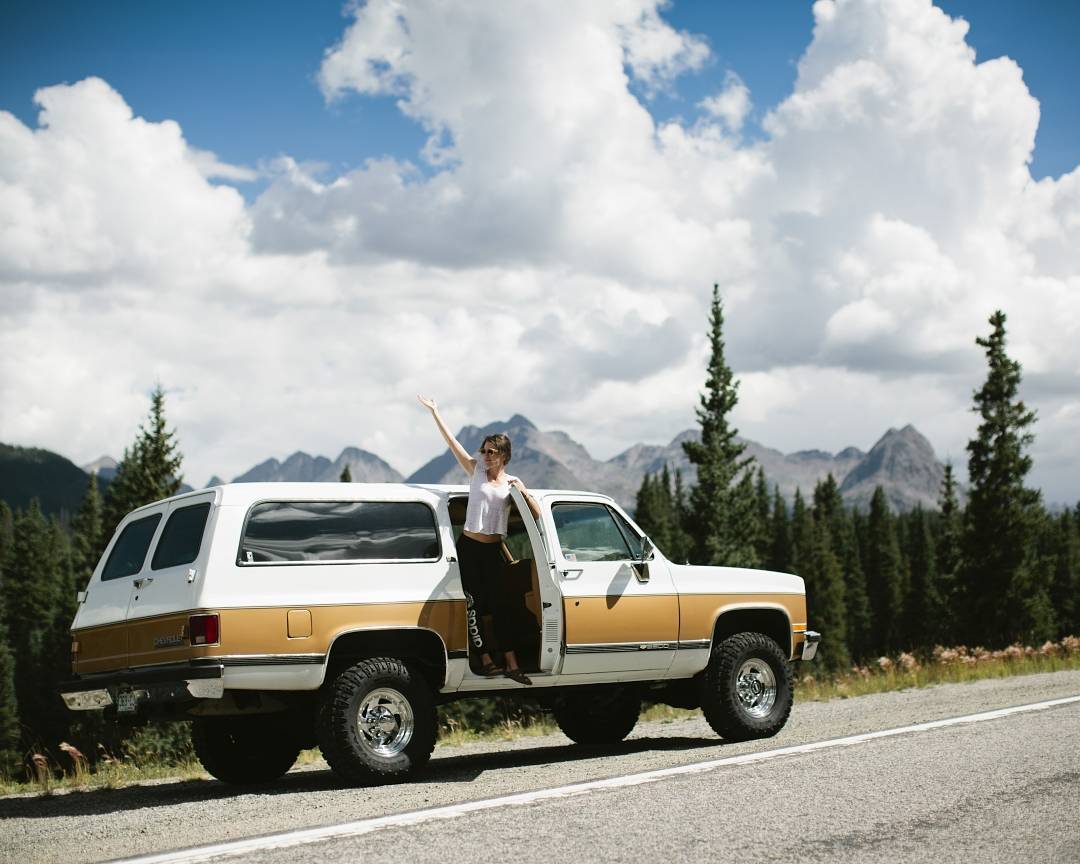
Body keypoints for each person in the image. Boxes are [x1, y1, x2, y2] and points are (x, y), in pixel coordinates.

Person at [418, 395, 540, 685]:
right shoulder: (476, 472)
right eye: (483, 450)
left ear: (504, 455)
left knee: (502, 607)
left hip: (494, 551)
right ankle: (485, 661)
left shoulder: (512, 483)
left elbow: (536, 513)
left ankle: (511, 664)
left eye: (491, 452)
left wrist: (522, 491)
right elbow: (453, 444)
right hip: (469, 549)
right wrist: (435, 412)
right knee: (474, 606)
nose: (485, 455)